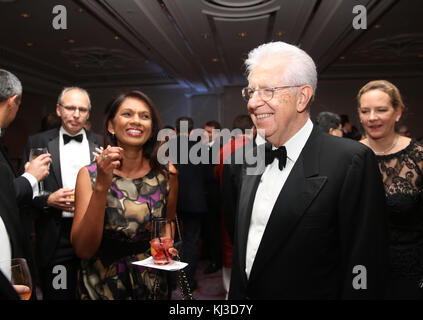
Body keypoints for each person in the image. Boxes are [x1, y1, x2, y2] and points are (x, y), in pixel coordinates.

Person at [228, 41, 389, 300]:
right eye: (251, 92)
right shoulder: (245, 160)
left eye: (267, 91)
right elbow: (242, 251)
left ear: (302, 97)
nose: (253, 103)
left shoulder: (350, 161)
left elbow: (366, 263)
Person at [71, 90, 178, 300]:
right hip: (102, 282)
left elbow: (168, 222)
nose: (136, 121)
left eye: (144, 116)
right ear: (111, 126)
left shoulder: (167, 175)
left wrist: (166, 245)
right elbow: (83, 249)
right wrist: (102, 185)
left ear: (152, 128)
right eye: (127, 114)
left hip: (151, 281)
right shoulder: (89, 175)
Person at [22, 87, 102, 299]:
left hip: (92, 233)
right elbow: (24, 191)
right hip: (56, 237)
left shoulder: (102, 143)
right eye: (70, 108)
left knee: (94, 293)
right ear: (58, 110)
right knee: (59, 294)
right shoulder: (37, 142)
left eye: (82, 109)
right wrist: (47, 199)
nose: (76, 114)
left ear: (88, 114)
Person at [357, 80, 423, 299]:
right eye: (365, 111)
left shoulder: (419, 157)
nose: (372, 117)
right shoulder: (347, 157)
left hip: (410, 269)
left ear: (398, 112)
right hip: (359, 269)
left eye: (381, 110)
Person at [216, 114, 254, 299]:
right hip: (250, 210)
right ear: (253, 129)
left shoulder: (223, 150)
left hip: (227, 207)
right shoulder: (257, 150)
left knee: (229, 250)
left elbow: (216, 178)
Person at [171, 116, 209, 291]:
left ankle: (170, 282)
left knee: (172, 241)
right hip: (195, 201)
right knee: (191, 241)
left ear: (176, 130)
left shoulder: (166, 147)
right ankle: (188, 283)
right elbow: (209, 176)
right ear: (192, 131)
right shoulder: (201, 148)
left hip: (173, 202)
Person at [202, 120, 223, 274]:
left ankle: (216, 260)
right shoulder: (200, 148)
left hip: (216, 196)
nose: (205, 134)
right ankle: (207, 255)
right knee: (206, 229)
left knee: (216, 230)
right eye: (205, 131)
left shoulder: (221, 149)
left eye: (209, 132)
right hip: (203, 195)